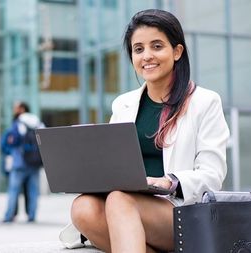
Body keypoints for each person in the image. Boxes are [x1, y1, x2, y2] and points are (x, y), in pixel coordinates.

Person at [65, 9, 230, 252]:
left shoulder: (205, 101)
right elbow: (114, 164)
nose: (147, 56)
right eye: (139, 49)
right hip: (127, 206)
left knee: (120, 200)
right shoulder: (123, 104)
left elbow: (213, 175)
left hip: (181, 211)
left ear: (177, 51)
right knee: (83, 207)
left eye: (157, 46)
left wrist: (169, 182)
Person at [2, 102, 44, 223]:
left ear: (21, 109)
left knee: (13, 190)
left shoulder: (18, 123)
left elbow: (11, 141)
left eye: (16, 107)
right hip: (35, 162)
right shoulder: (36, 121)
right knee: (33, 191)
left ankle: (8, 216)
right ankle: (32, 216)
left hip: (19, 163)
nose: (14, 110)